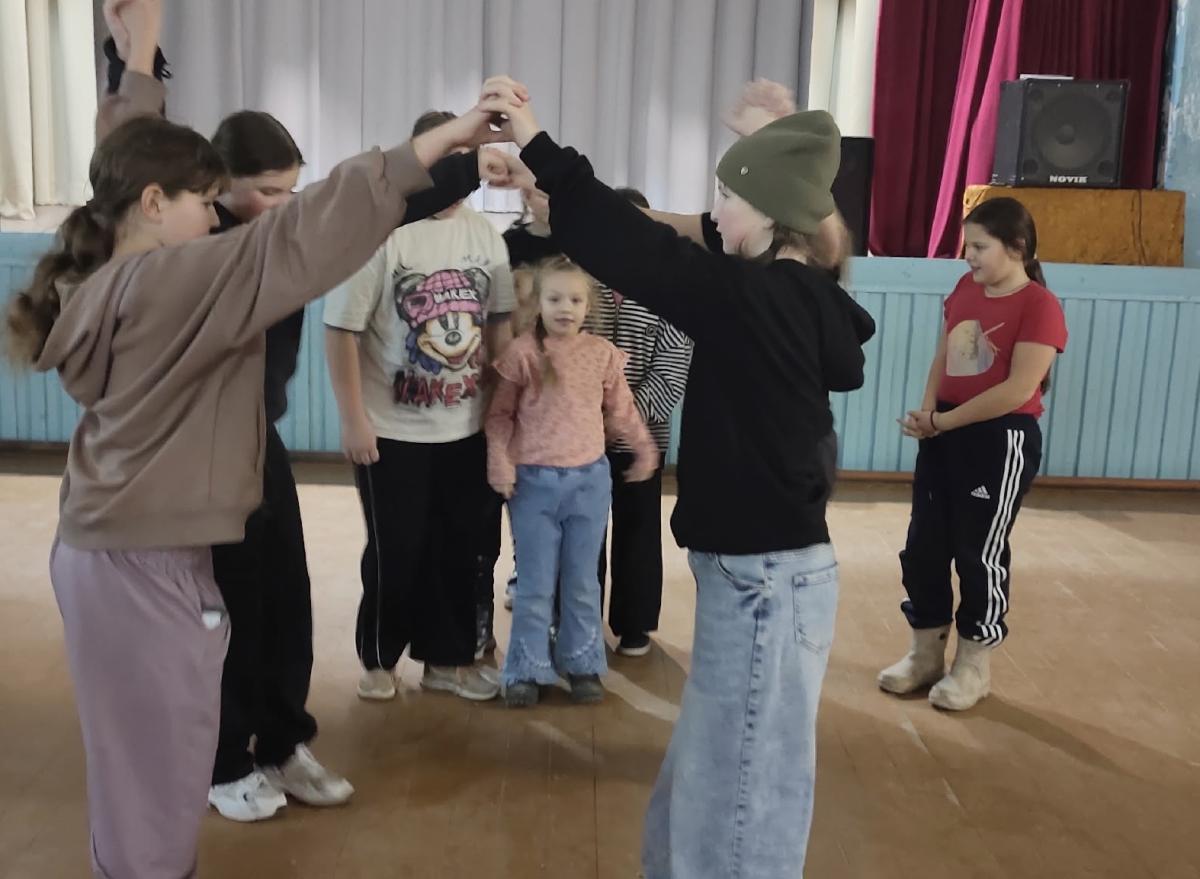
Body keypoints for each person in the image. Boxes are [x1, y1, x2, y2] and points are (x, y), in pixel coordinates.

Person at [3, 0, 522, 867]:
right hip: (140, 565)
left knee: (139, 774)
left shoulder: (112, 263)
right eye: (205, 202)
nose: (217, 218)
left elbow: (122, 153)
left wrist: (141, 55)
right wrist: (452, 140)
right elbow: (311, 227)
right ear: (156, 203)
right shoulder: (177, 282)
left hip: (115, 551)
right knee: (156, 780)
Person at [489, 76, 871, 877]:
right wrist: (548, 182)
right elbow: (660, 235)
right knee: (711, 777)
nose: (712, 215)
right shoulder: (801, 294)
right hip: (766, 576)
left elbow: (639, 248)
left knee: (740, 795)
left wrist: (534, 138)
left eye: (726, 198)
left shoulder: (748, 299)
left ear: (769, 213)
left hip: (764, 581)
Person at [324, 110, 517, 703]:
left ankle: (446, 660)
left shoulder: (485, 235)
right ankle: (379, 658)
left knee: (460, 549)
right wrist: (354, 419)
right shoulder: (384, 233)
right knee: (397, 550)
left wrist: (505, 413)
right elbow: (341, 330)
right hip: (392, 432)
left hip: (467, 429)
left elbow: (499, 324)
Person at [879, 196, 1067, 711]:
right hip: (944, 432)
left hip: (999, 440)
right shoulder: (965, 288)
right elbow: (945, 353)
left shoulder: (1040, 306)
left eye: (980, 247)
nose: (969, 257)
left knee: (978, 551)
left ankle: (973, 664)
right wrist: (928, 414)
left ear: (1017, 247)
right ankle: (925, 653)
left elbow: (1017, 390)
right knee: (924, 545)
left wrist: (944, 422)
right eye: (967, 246)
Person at [484, 255, 657, 706]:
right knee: (535, 584)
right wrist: (500, 462)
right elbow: (499, 416)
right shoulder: (523, 353)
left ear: (588, 306)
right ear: (538, 304)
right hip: (533, 485)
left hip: (589, 484)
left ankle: (581, 663)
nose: (566, 308)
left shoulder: (601, 354)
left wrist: (644, 448)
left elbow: (622, 411)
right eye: (555, 299)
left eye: (575, 300)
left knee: (582, 582)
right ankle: (526, 669)